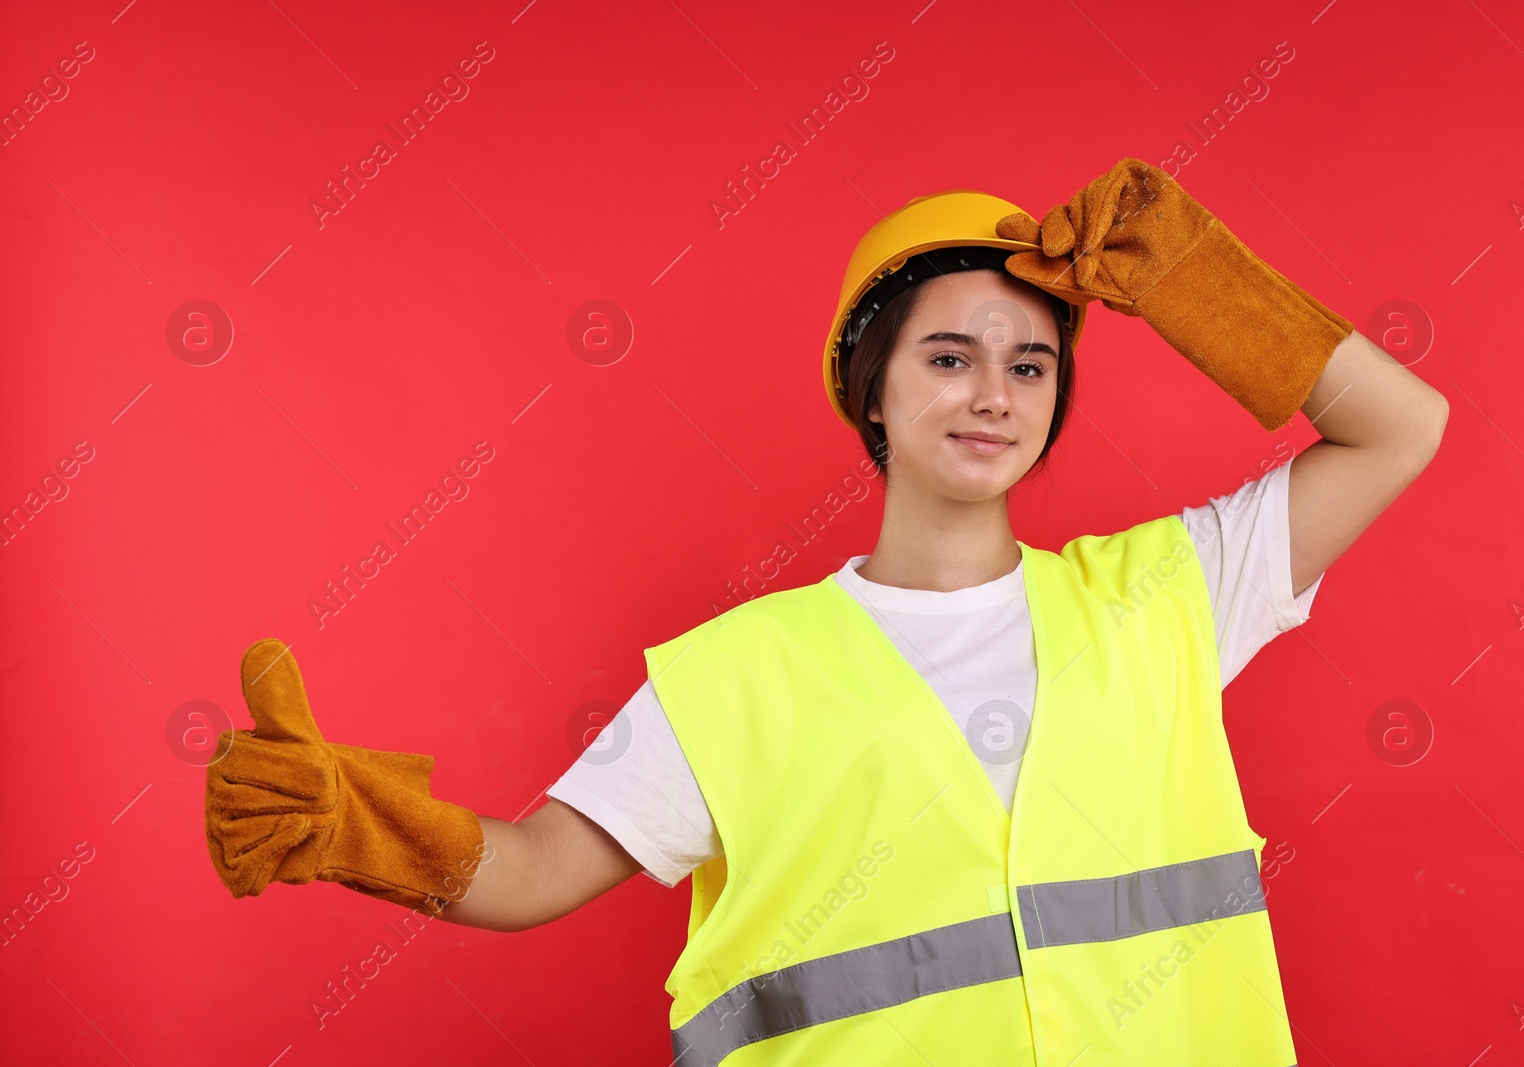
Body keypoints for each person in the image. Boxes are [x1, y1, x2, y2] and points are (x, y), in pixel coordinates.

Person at [205, 159, 1448, 1065]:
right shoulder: (742, 673)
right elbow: (532, 869)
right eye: (948, 356)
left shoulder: (1168, 595)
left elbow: (1402, 426)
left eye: (1030, 365)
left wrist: (1195, 284)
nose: (993, 396)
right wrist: (354, 829)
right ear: (874, 391)